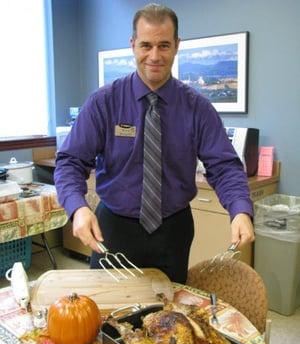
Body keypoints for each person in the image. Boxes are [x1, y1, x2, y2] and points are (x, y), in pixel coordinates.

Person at [54, 3, 254, 284]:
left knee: (169, 318)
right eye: (146, 45)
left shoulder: (197, 108)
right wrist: (78, 208)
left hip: (173, 231)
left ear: (176, 45)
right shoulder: (104, 103)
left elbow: (224, 166)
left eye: (164, 45)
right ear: (133, 44)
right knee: (110, 320)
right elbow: (70, 162)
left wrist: (240, 210)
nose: (155, 56)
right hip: (112, 229)